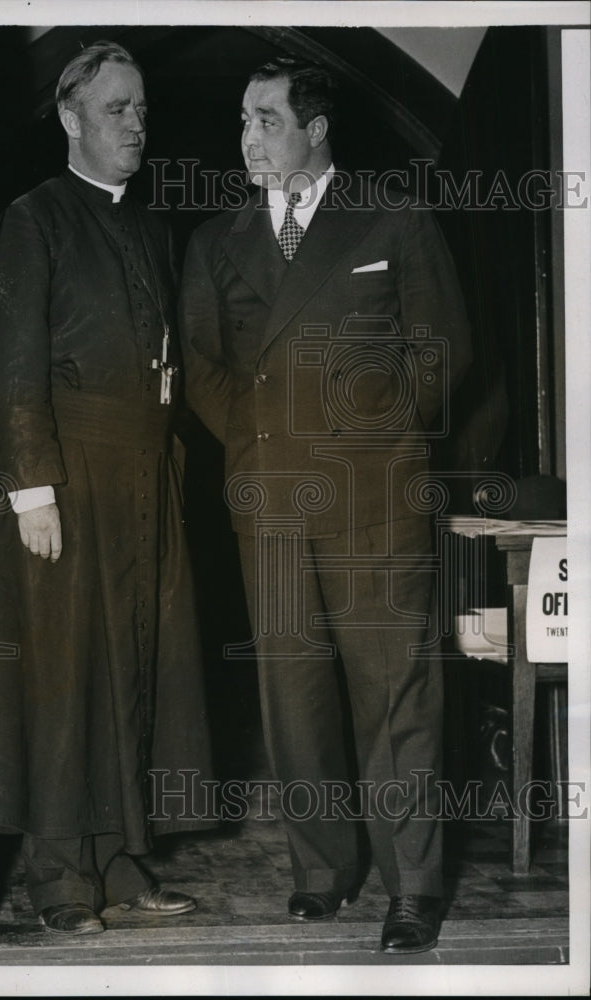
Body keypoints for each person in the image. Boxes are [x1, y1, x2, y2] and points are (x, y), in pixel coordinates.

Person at [179, 57, 472, 954]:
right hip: (268, 498)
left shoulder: (391, 214)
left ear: (314, 128)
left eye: (264, 120)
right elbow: (202, 366)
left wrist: (369, 442)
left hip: (374, 494)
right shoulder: (217, 237)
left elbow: (443, 352)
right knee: (292, 696)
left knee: (397, 698)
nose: (246, 139)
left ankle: (411, 886)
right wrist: (264, 439)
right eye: (240, 121)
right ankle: (321, 870)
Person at [0, 40, 213, 936]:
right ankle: (57, 877)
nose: (136, 124)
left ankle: (119, 862)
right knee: (65, 677)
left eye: (142, 109)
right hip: (69, 479)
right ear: (71, 120)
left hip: (147, 480)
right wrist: (31, 488)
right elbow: (12, 367)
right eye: (117, 109)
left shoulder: (152, 228)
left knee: (140, 667)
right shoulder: (31, 220)